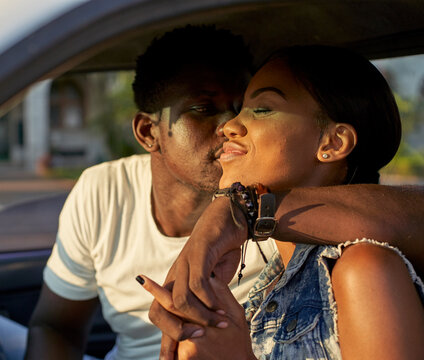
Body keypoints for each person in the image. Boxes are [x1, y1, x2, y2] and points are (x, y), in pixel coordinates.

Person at [139, 45, 424, 359]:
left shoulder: (363, 269)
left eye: (262, 109)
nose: (228, 126)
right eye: (242, 107)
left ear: (333, 142)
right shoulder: (272, 281)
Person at [25, 25, 273, 360]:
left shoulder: (278, 201)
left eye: (244, 108)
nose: (233, 125)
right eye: (204, 108)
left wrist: (231, 215)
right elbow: (56, 325)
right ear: (148, 132)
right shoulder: (103, 192)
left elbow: (369, 217)